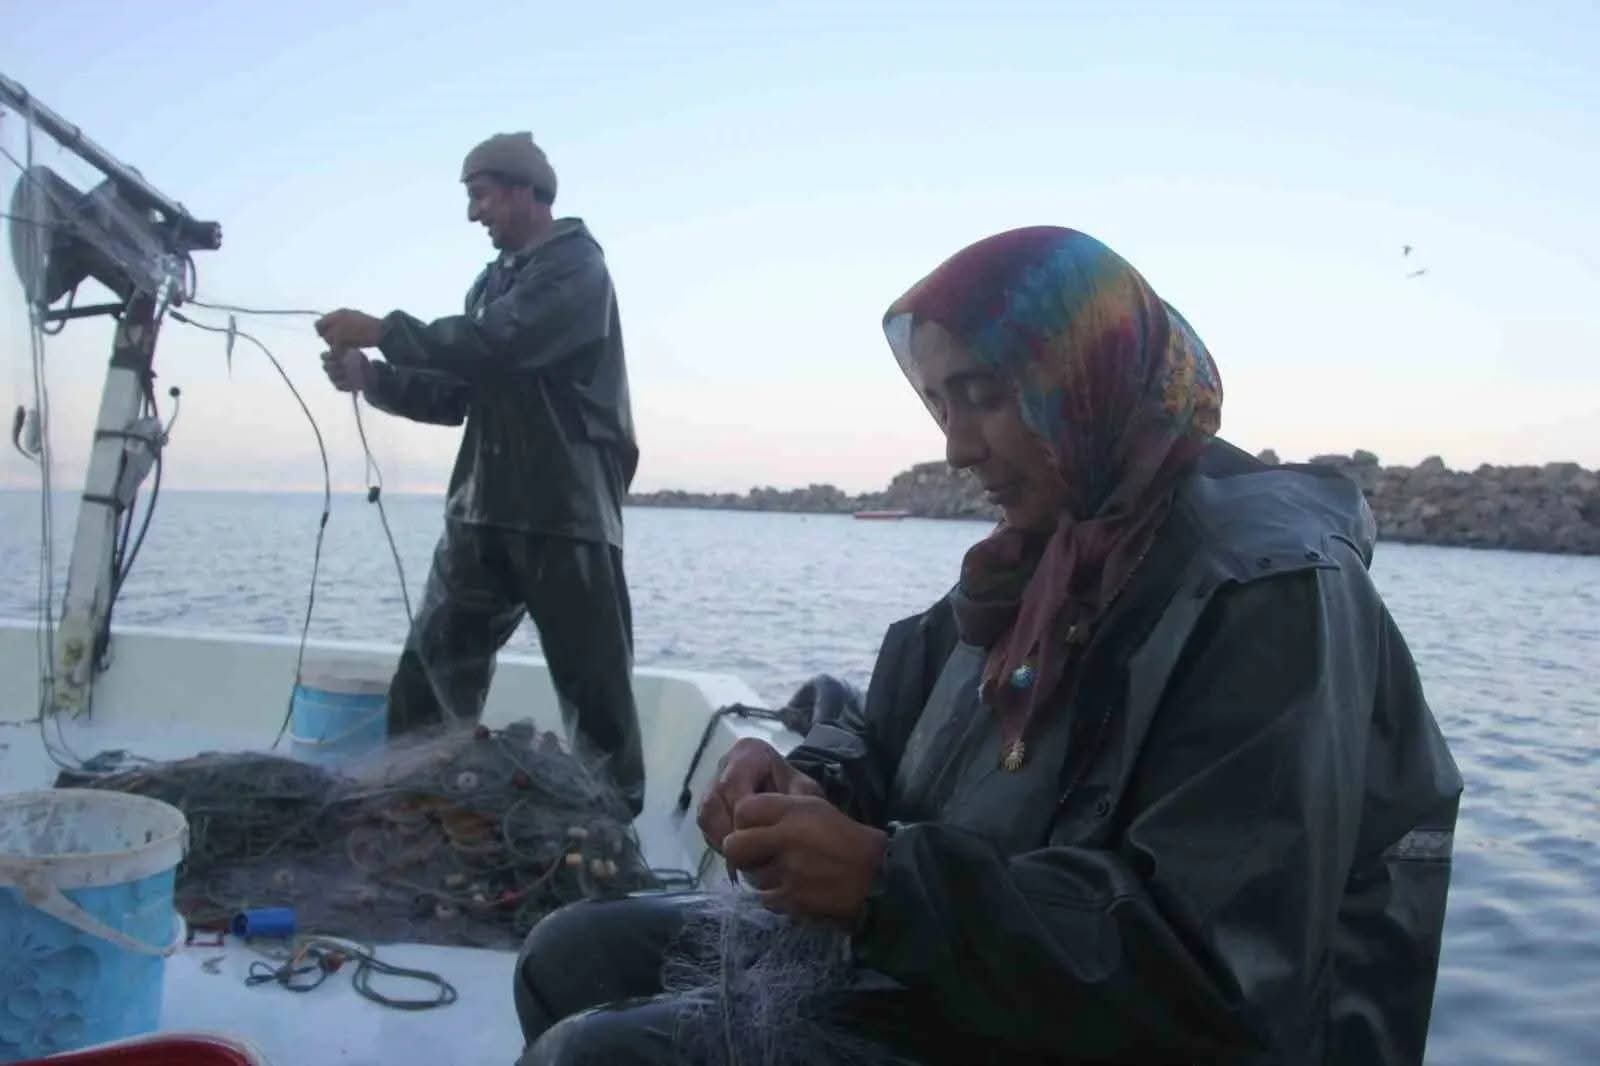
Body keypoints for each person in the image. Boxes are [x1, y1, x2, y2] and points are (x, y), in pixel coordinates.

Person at [510, 226, 1464, 1064]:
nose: (959, 446)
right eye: (940, 404)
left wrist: (885, 887)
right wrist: (810, 784)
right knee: (570, 951)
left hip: (1122, 1038)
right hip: (978, 974)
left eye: (985, 396)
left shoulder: (1268, 593)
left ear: (1087, 375)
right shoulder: (1040, 561)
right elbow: (882, 745)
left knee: (593, 1056)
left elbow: (1218, 972)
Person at [315, 131, 645, 817]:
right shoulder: (490, 284)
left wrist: (383, 330)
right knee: (429, 677)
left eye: (482, 196)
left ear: (526, 191)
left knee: (595, 694)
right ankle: (414, 810)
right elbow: (453, 391)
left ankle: (612, 833)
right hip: (480, 513)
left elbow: (502, 343)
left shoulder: (578, 268)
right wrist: (371, 377)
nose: (474, 215)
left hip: (566, 515)